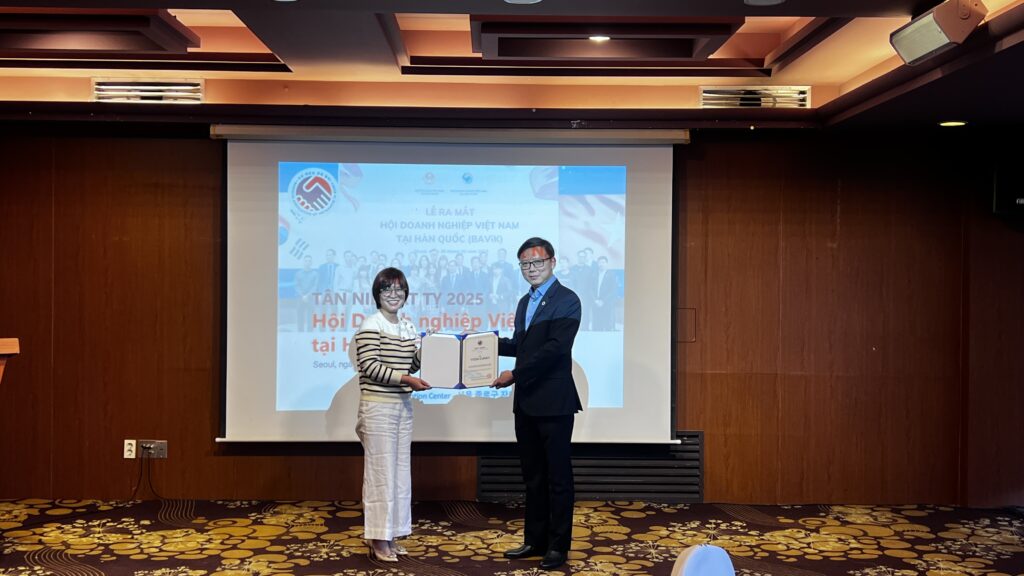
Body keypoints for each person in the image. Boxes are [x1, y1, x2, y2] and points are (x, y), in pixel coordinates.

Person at [492, 237, 582, 571]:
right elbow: (522, 345)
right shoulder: (523, 302)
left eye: (537, 262)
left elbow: (555, 349)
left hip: (555, 403)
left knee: (558, 478)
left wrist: (515, 374)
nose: (531, 269)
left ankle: (558, 546)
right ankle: (535, 540)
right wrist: (482, 344)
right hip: (527, 403)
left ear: (552, 262)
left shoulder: (567, 300)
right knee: (533, 477)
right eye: (525, 264)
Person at [354, 267, 431, 562]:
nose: (394, 294)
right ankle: (377, 538)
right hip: (377, 408)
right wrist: (406, 379)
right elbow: (370, 367)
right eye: (387, 289)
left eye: (399, 289)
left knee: (399, 475)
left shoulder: (408, 327)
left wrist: (429, 350)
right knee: (380, 474)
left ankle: (393, 534)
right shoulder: (370, 325)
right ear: (377, 294)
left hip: (402, 406)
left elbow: (411, 366)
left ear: (406, 294)